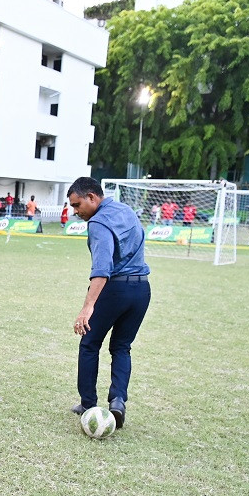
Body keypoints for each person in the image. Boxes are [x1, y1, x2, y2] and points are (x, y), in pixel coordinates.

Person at [67, 176, 151, 430]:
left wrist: (87, 307)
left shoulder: (98, 223)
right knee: (122, 347)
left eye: (77, 205)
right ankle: (117, 401)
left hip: (115, 288)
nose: (75, 211)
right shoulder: (125, 211)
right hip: (142, 288)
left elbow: (102, 268)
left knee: (90, 344)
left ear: (92, 197)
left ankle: (88, 404)